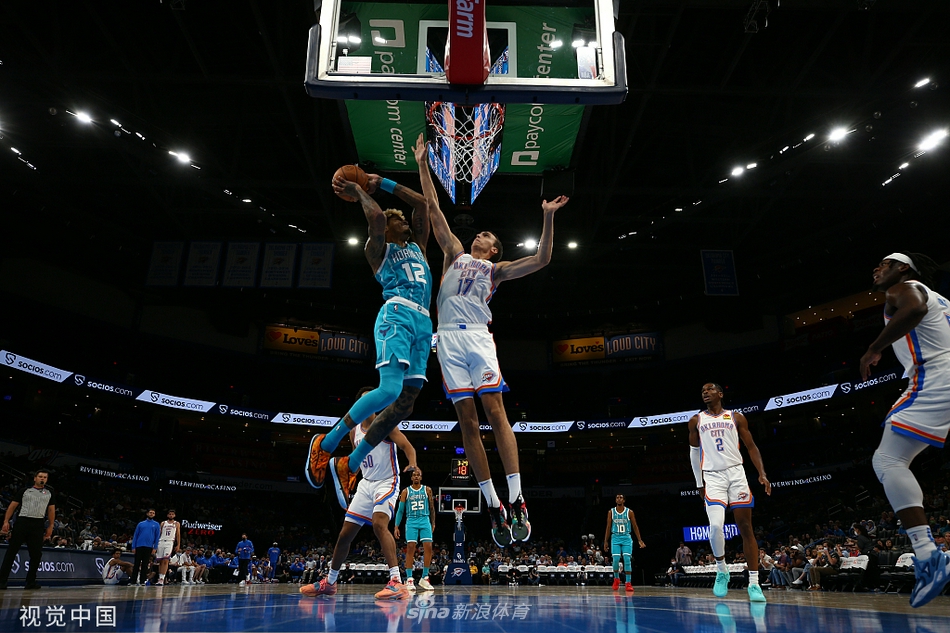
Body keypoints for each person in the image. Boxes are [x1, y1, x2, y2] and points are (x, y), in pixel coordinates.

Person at [415, 132, 569, 546]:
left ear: (494, 249)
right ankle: (493, 504)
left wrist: (548, 216)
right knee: (467, 422)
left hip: (478, 339)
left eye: (485, 235)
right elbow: (432, 208)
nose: (478, 234)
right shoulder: (453, 253)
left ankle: (516, 497)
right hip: (447, 340)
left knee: (495, 411)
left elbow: (542, 259)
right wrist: (422, 164)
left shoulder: (495, 271)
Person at [306, 144, 432, 490]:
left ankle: (350, 463)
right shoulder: (377, 250)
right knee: (389, 388)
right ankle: (327, 443)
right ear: (387, 229)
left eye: (403, 219)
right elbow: (375, 218)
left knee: (405, 403)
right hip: (397, 315)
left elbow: (423, 205)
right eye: (397, 219)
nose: (404, 221)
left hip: (423, 323)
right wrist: (361, 190)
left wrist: (384, 182)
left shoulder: (419, 248)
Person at [861, 252, 950, 607]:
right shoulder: (942, 299)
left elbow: (913, 309)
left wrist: (873, 348)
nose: (876, 268)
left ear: (902, 268)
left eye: (883, 263)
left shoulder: (903, 289)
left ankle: (928, 556)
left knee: (888, 460)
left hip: (935, 376)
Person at [299, 386, 419, 600]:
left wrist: (412, 463)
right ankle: (330, 582)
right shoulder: (354, 431)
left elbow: (408, 447)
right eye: (365, 400)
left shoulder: (386, 424)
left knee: (379, 524)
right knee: (345, 534)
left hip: (387, 481)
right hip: (366, 483)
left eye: (373, 399)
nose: (370, 403)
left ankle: (396, 582)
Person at [688, 382, 771, 602]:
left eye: (709, 389)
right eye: (702, 390)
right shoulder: (696, 420)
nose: (705, 392)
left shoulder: (736, 417)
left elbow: (751, 446)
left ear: (720, 393)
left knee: (746, 527)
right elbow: (694, 453)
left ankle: (754, 583)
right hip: (713, 477)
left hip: (736, 474)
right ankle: (722, 569)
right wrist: (699, 483)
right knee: (716, 526)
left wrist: (762, 473)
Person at [0, 469, 56, 590]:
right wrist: (6, 521)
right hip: (22, 522)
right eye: (40, 476)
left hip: (38, 524)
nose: (42, 479)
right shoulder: (24, 491)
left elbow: (51, 510)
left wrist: (51, 526)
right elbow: (12, 506)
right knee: (11, 552)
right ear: (35, 478)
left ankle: (30, 581)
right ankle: (2, 581)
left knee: (36, 554)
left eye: (45, 477)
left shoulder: (49, 493)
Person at [394, 468, 436, 591]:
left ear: (421, 477)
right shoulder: (406, 491)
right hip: (411, 521)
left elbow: (432, 508)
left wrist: (433, 523)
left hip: (424, 519)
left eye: (418, 475)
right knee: (411, 547)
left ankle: (424, 577)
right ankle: (409, 578)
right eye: (414, 475)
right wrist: (396, 526)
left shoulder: (427, 490)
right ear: (411, 478)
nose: (416, 476)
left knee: (428, 547)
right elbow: (400, 510)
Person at [603, 493, 645, 592]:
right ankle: (616, 579)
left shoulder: (629, 512)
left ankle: (628, 583)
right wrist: (605, 541)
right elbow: (608, 527)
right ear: (615, 500)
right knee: (616, 559)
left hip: (626, 537)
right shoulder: (611, 512)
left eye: (621, 497)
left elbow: (635, 526)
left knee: (627, 559)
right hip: (615, 537)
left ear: (624, 500)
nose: (619, 499)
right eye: (617, 497)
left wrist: (639, 540)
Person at [130, 509, 159, 586]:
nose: (151, 514)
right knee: (136, 564)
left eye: (153, 513)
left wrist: (155, 547)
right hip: (139, 546)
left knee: (145, 564)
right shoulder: (141, 524)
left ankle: (142, 581)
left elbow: (157, 537)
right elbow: (135, 535)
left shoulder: (156, 524)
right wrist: (133, 547)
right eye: (150, 512)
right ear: (147, 514)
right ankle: (133, 581)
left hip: (149, 547)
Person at [154, 509, 180, 587]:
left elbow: (178, 534)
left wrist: (178, 544)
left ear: (174, 515)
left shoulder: (176, 523)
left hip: (170, 542)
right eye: (170, 514)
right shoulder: (163, 523)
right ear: (167, 515)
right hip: (161, 541)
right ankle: (160, 578)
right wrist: (155, 543)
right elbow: (159, 533)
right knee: (160, 561)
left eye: (172, 514)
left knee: (166, 560)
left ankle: (162, 578)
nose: (171, 515)